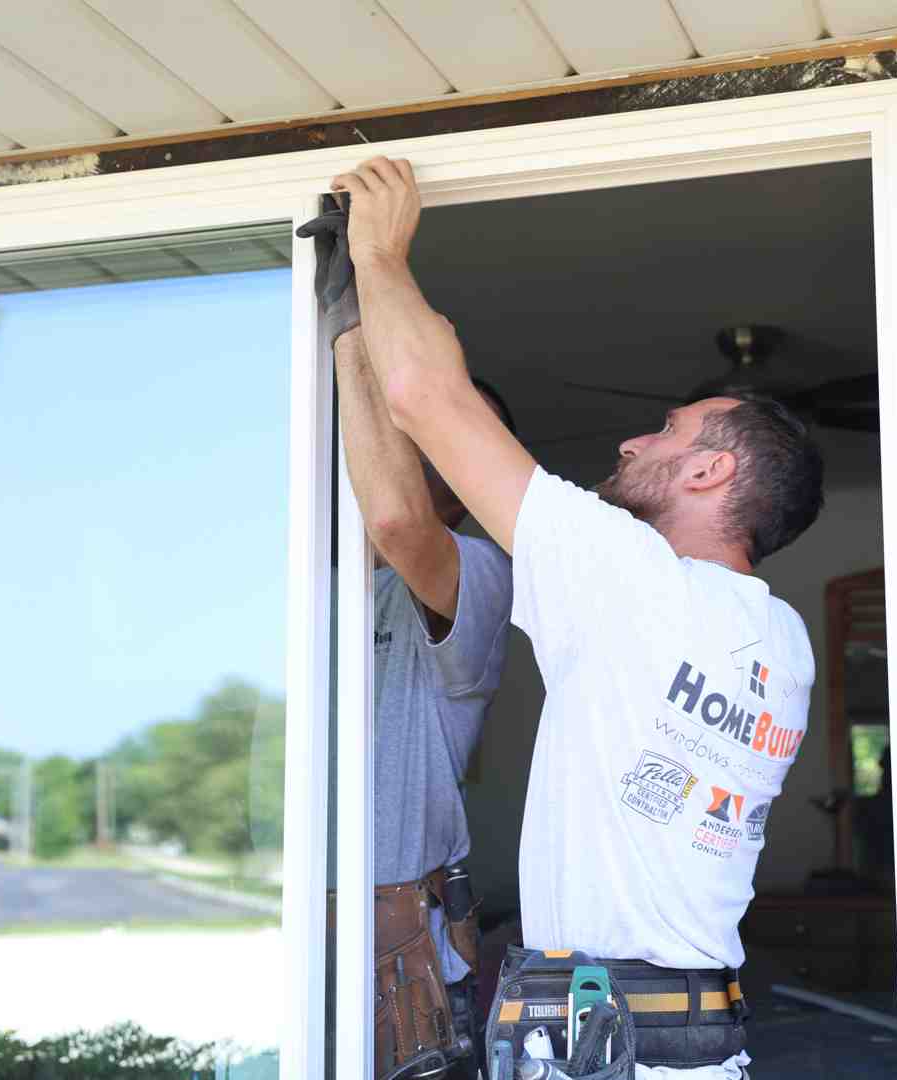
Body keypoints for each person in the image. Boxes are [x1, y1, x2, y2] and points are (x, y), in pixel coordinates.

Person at [326, 157, 824, 1080]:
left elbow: (426, 399)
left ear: (711, 474)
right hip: (677, 1037)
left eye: (669, 432)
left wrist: (376, 257)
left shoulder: (638, 581)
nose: (635, 439)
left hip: (616, 1043)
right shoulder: (781, 641)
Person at [301, 197, 517, 1080]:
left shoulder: (480, 572)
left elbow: (394, 515)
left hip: (397, 980)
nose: (391, 447)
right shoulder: (306, 591)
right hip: (283, 957)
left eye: (421, 436)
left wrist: (350, 324)